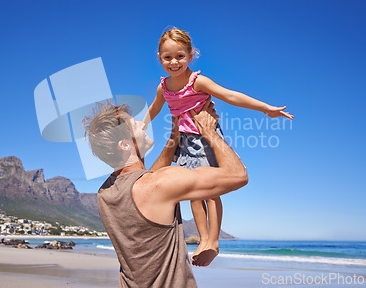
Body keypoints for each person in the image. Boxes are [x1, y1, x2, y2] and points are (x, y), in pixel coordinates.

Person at [142, 27, 294, 266]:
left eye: (180, 56)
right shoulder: (163, 87)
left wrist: (265, 108)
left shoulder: (197, 81)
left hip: (206, 138)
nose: (174, 62)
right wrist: (142, 125)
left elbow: (229, 95)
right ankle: (204, 239)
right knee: (192, 192)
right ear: (159, 58)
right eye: (168, 57)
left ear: (191, 56)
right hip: (183, 142)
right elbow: (154, 108)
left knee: (211, 191)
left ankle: (213, 239)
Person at [83, 99, 248, 287]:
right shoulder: (159, 183)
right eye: (133, 125)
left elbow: (145, 180)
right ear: (125, 145)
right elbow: (238, 175)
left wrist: (174, 138)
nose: (141, 123)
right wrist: (209, 130)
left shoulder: (105, 193)